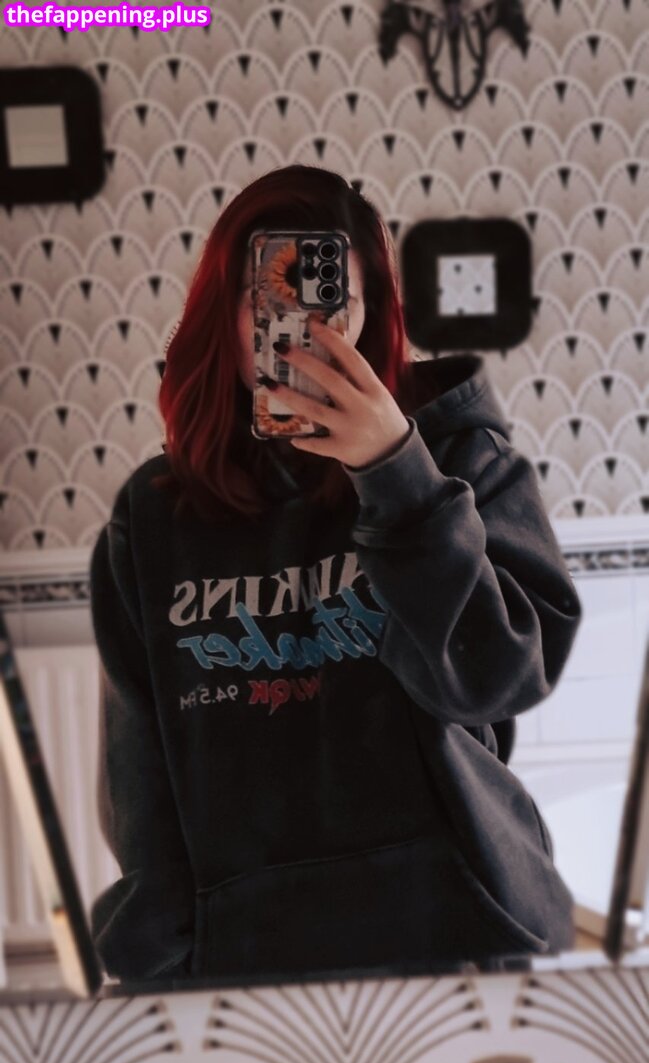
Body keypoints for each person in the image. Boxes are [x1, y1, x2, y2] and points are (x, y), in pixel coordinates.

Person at [89, 164, 582, 983]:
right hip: (241, 957)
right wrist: (166, 963)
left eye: (331, 303)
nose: (302, 331)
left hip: (449, 930)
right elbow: (140, 785)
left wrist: (397, 476)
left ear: (370, 315)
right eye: (268, 301)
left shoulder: (459, 462)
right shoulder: (152, 518)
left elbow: (495, 678)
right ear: (224, 316)